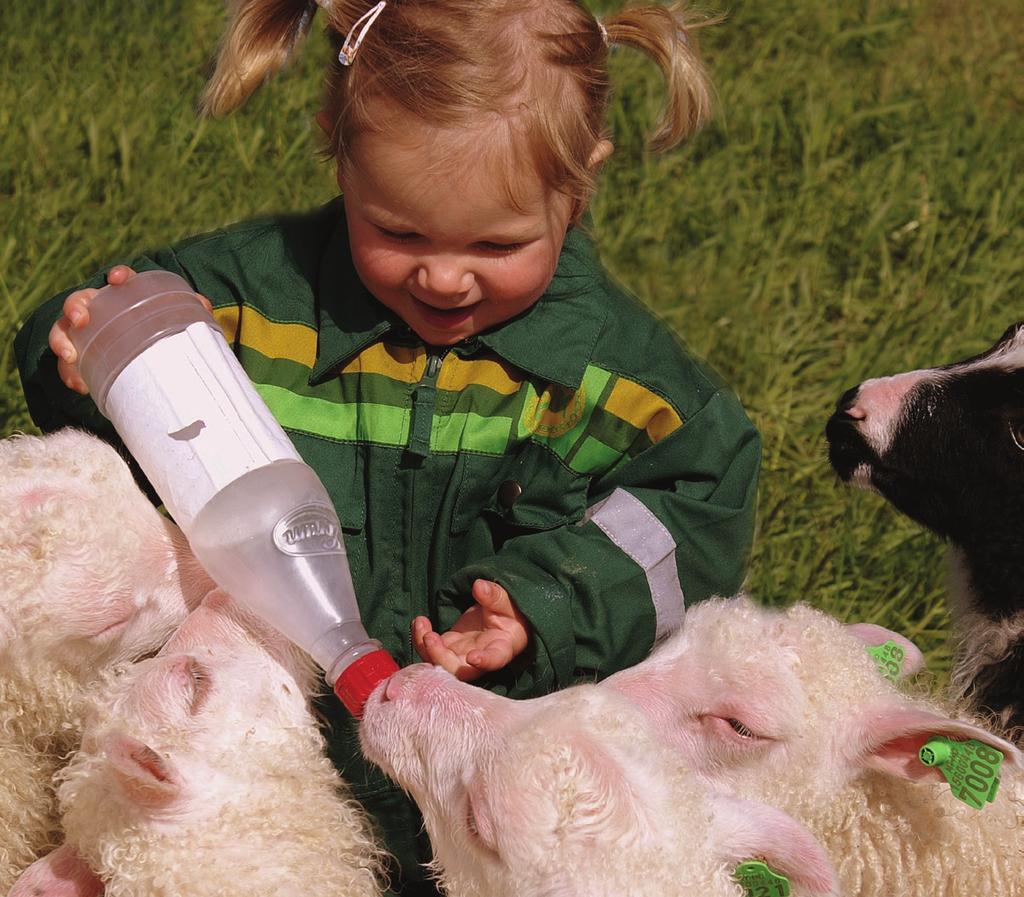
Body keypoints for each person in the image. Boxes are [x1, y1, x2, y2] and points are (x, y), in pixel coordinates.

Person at [15, 1, 761, 893]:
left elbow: (700, 503)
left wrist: (548, 605)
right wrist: (80, 351)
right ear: (336, 142)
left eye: (498, 243)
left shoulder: (622, 384)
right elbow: (128, 382)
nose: (445, 276)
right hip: (260, 754)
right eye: (399, 231)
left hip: (479, 788)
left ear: (582, 179)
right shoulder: (248, 303)